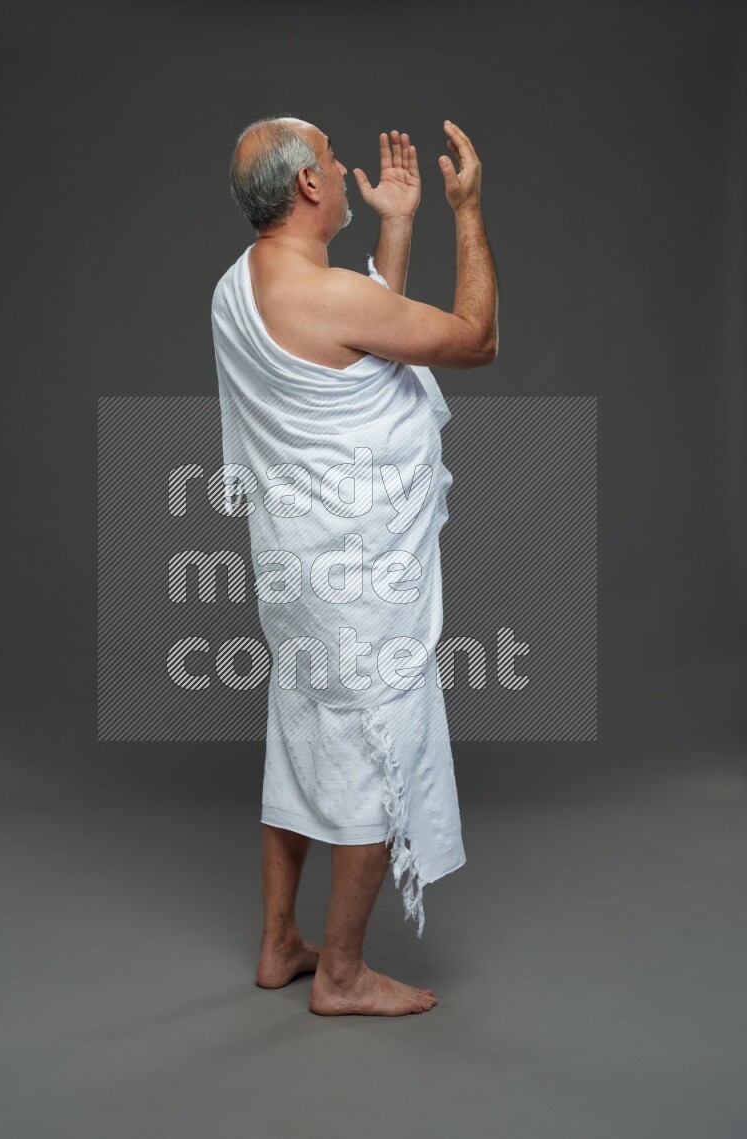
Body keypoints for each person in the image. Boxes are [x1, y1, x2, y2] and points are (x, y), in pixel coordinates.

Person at [211, 115, 498, 1016]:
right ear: (307, 187)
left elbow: (359, 361)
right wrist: (465, 211)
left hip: (299, 576)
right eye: (332, 162)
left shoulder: (237, 288)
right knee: (382, 749)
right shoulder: (329, 297)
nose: (343, 172)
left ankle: (277, 944)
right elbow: (474, 337)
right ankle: (339, 973)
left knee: (300, 732)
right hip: (363, 584)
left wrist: (397, 224)